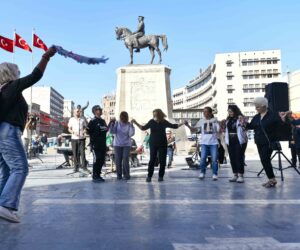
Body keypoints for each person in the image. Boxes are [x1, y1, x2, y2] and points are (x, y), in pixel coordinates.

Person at [0, 47, 56, 223]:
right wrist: (46, 57)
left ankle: (2, 203)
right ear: (10, 73)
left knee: (7, 170)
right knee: (20, 168)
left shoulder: (3, 91)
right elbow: (35, 76)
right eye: (17, 71)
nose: (19, 73)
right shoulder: (12, 86)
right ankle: (6, 205)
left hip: (2, 131)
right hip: (8, 131)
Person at [132, 109, 184, 182]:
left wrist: (183, 123)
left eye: (156, 115)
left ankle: (160, 176)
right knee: (152, 160)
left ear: (159, 115)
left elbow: (174, 126)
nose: (154, 116)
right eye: (154, 115)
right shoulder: (151, 122)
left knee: (162, 161)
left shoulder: (164, 122)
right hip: (153, 143)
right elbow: (143, 128)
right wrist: (135, 122)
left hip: (162, 143)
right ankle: (149, 176)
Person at [244, 97, 285, 188]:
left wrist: (283, 119)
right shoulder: (256, 116)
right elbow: (251, 126)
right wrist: (244, 123)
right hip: (259, 141)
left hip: (269, 142)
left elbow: (281, 126)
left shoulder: (273, 115)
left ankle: (272, 179)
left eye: (258, 107)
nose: (256, 108)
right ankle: (271, 179)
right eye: (255, 106)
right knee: (264, 160)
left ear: (264, 106)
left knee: (264, 159)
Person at [185, 107, 220, 181]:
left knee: (214, 159)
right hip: (204, 143)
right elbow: (194, 129)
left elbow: (219, 130)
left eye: (206, 112)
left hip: (213, 143)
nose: (204, 113)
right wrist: (187, 125)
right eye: (203, 112)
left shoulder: (215, 120)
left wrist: (219, 124)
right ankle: (202, 172)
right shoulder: (201, 121)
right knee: (203, 158)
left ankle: (215, 174)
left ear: (210, 113)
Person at [223, 105, 248, 183]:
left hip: (239, 140)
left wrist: (242, 121)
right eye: (228, 111)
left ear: (235, 111)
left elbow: (246, 128)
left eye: (231, 111)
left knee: (239, 157)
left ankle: (241, 175)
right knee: (232, 158)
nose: (229, 113)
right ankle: (235, 174)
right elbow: (225, 130)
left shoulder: (241, 118)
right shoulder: (228, 120)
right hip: (230, 140)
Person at [109, 112, 135, 180]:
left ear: (127, 117)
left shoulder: (129, 124)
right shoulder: (117, 123)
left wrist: (132, 125)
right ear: (120, 117)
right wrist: (112, 124)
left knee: (125, 159)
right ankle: (119, 175)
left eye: (124, 117)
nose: (123, 118)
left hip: (126, 144)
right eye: (122, 117)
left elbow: (131, 134)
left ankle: (126, 175)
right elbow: (112, 132)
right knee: (118, 160)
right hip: (117, 144)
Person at [87, 105, 108, 182]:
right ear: (95, 111)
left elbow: (106, 129)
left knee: (102, 160)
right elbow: (87, 131)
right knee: (97, 159)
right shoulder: (92, 121)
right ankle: (95, 175)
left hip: (102, 144)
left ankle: (98, 175)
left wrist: (111, 123)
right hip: (95, 144)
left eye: (100, 109)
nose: (100, 111)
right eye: (98, 110)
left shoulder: (103, 121)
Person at [68, 109, 90, 175]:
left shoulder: (82, 119)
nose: (79, 112)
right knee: (75, 153)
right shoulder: (71, 119)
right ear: (74, 112)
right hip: (74, 138)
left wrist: (84, 131)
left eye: (79, 111)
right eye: (77, 111)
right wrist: (74, 132)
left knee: (82, 153)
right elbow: (69, 129)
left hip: (82, 139)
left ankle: (84, 167)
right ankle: (76, 167)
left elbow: (86, 127)